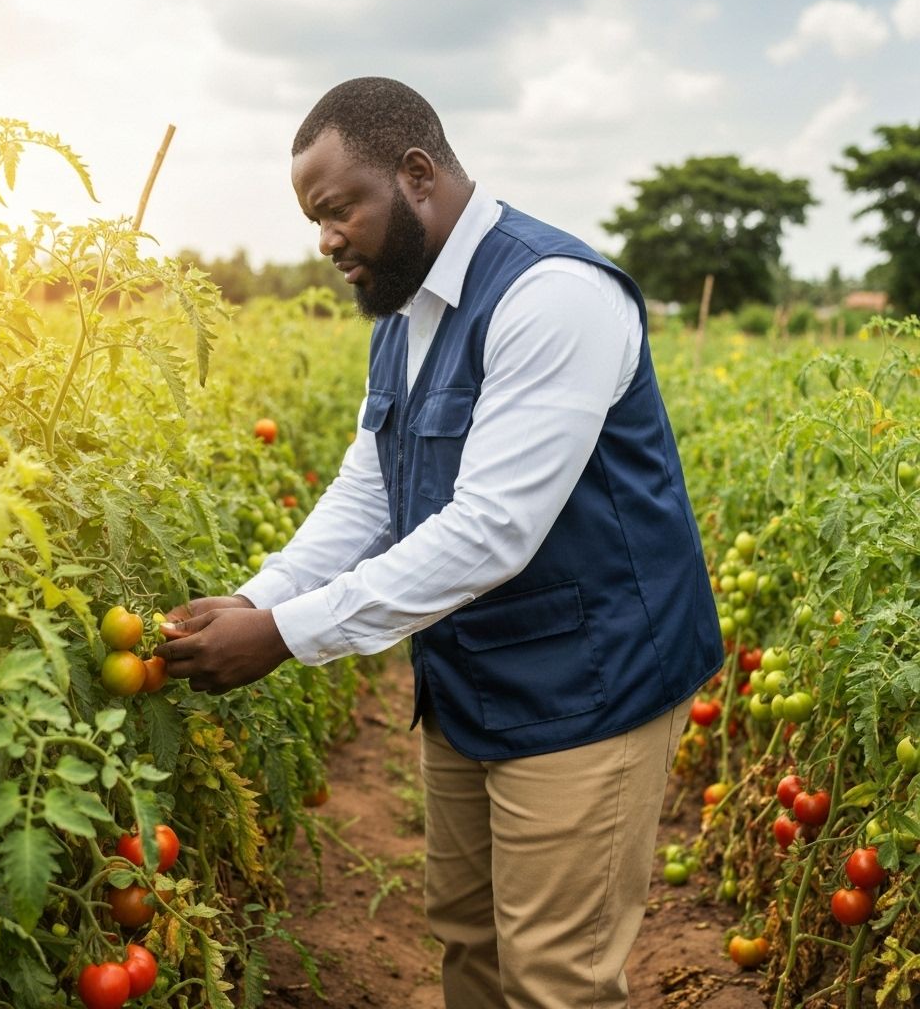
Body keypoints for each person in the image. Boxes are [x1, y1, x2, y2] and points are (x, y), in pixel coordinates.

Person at [156, 77, 723, 1009]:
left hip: (590, 683)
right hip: (471, 681)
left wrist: (288, 635)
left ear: (417, 175)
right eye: (314, 220)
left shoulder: (553, 294)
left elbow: (491, 529)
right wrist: (262, 597)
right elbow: (371, 489)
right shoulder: (404, 310)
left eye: (338, 210)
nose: (326, 240)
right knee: (470, 938)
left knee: (555, 977)